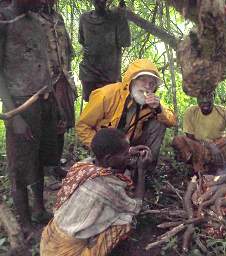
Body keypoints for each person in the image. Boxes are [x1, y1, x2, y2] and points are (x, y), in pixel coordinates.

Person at [40, 128, 152, 256]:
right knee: (126, 221)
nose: (128, 156)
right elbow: (135, 207)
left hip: (49, 240)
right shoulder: (107, 188)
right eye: (125, 154)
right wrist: (142, 171)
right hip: (66, 252)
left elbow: (104, 161)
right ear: (108, 159)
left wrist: (129, 150)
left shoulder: (82, 166)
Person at [0, 0, 59, 233]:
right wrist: (14, 117)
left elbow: (43, 64)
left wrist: (53, 101)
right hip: (21, 105)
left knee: (39, 159)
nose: (44, 1)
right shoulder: (4, 20)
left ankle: (39, 210)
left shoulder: (36, 21)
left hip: (44, 101)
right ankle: (24, 222)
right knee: (20, 164)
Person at [76, 59, 177, 169]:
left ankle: (145, 168)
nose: (147, 86)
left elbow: (172, 121)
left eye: (152, 83)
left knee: (159, 124)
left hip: (130, 146)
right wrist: (101, 148)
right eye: (143, 80)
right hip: (106, 147)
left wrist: (158, 109)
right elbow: (82, 126)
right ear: (131, 80)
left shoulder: (152, 102)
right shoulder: (105, 95)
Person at [172, 90, 226, 173]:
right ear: (197, 99)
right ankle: (198, 167)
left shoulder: (224, 111)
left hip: (219, 147)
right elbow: (190, 139)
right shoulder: (191, 112)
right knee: (178, 140)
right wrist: (209, 146)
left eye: (209, 97)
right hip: (200, 148)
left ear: (214, 97)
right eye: (201, 98)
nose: (205, 101)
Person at [37, 0, 77, 178]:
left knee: (63, 123)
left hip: (63, 79)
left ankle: (55, 166)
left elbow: (68, 50)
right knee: (46, 126)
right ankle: (44, 169)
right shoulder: (33, 18)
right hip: (43, 83)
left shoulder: (58, 17)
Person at [79, 0, 131, 101]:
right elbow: (82, 40)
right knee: (93, 109)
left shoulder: (115, 17)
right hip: (89, 74)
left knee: (110, 108)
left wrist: (122, 17)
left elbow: (125, 42)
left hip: (109, 77)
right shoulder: (84, 18)